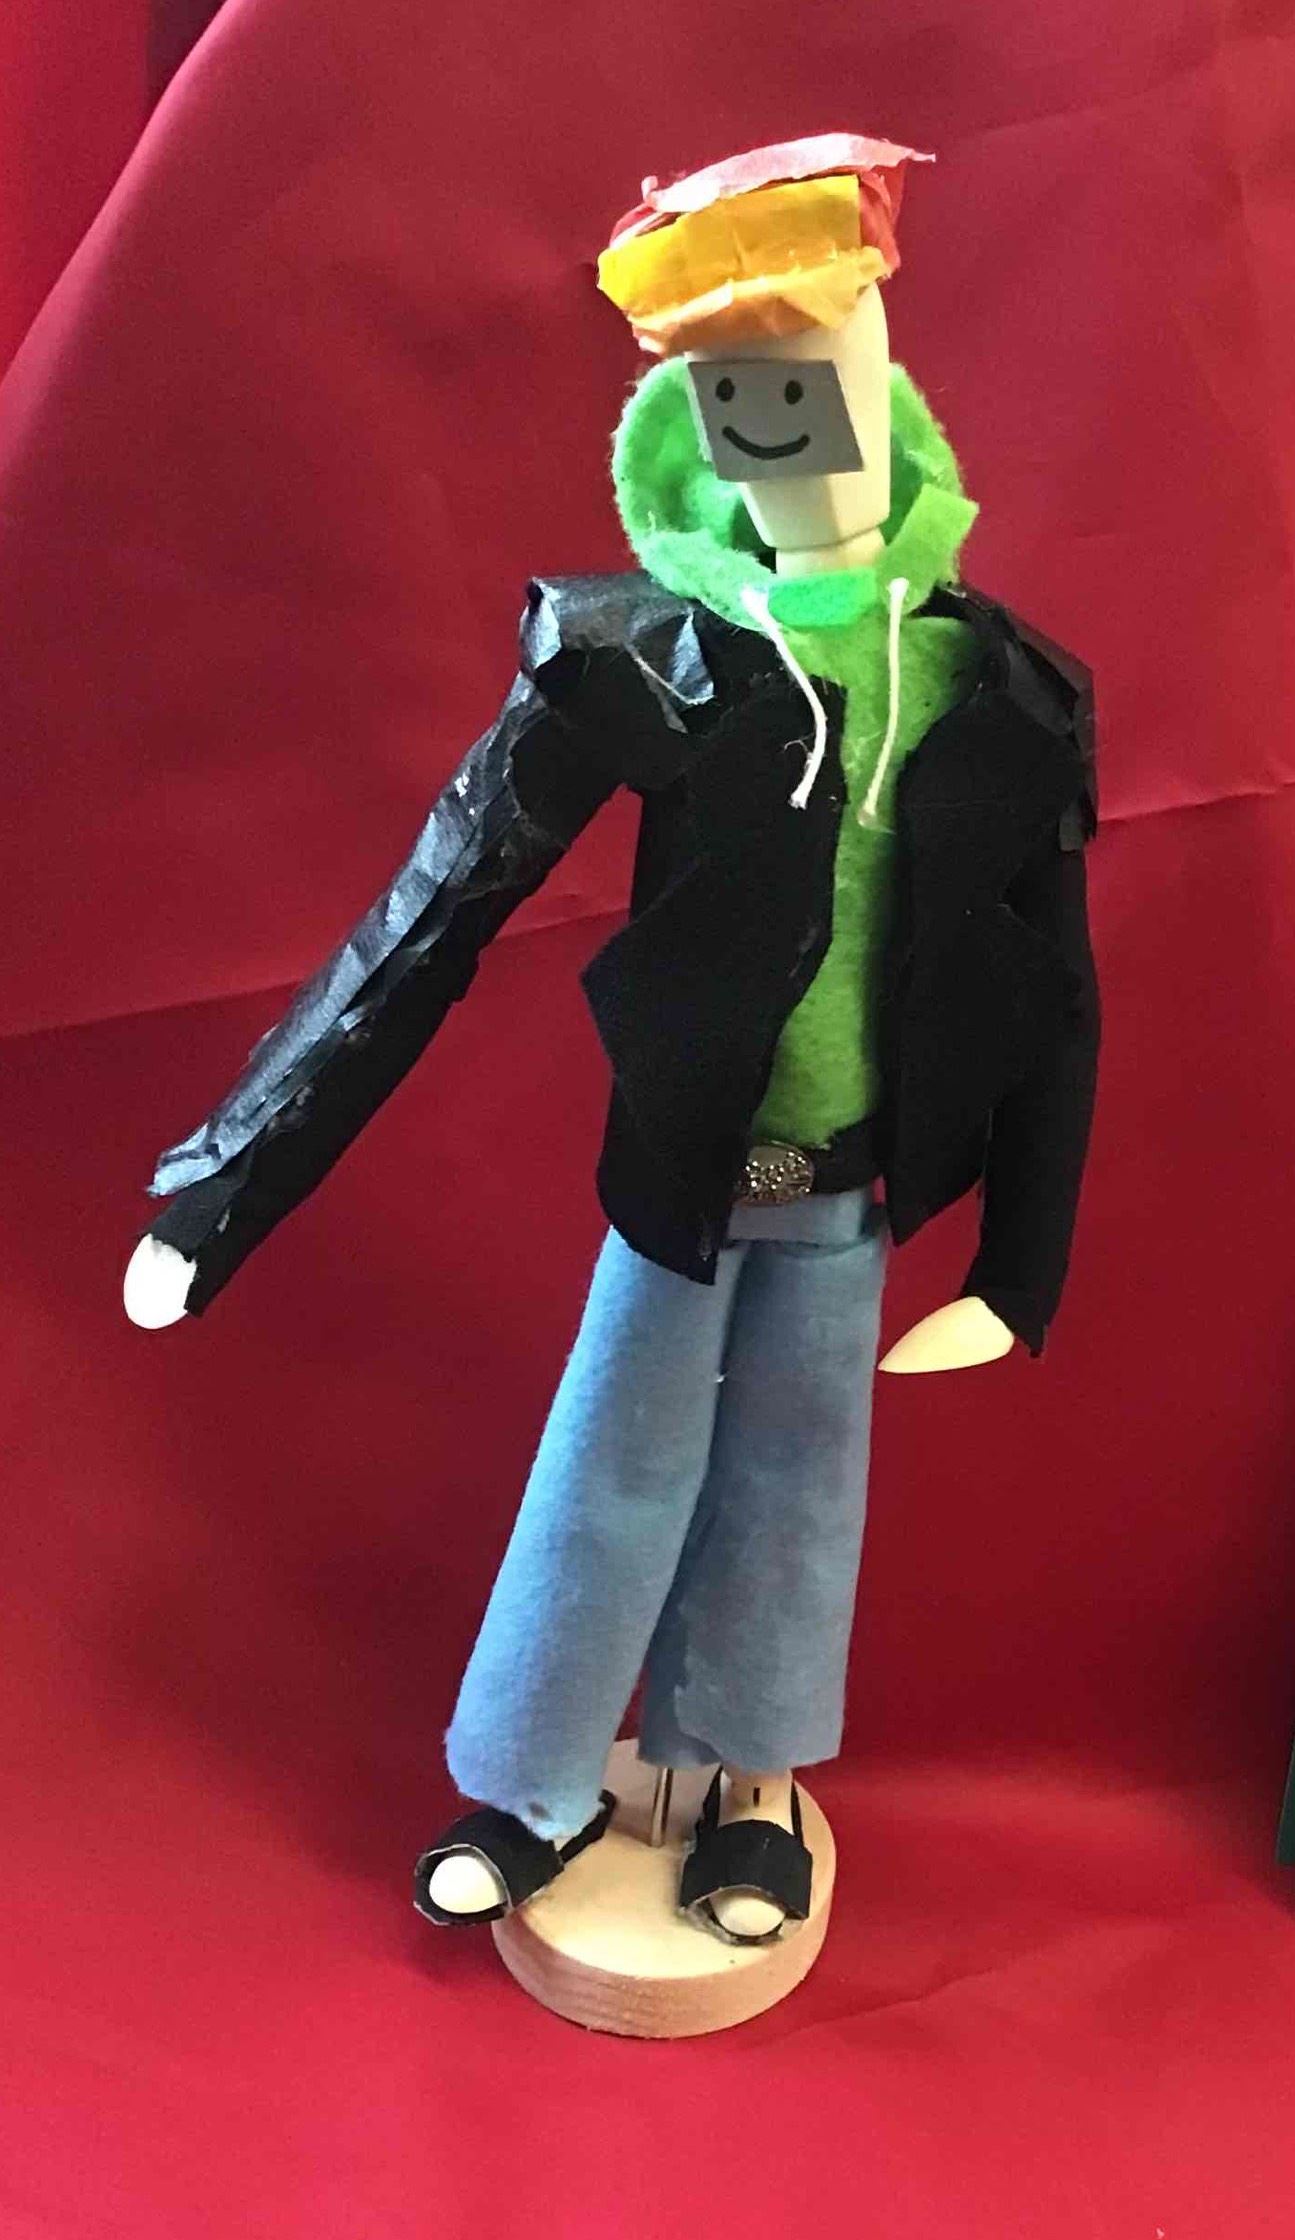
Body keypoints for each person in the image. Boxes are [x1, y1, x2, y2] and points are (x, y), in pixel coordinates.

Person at [125, 133, 1099, 1945]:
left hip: (852, 1184)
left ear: (881, 360)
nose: (778, 427)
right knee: (611, 1463)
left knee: (800, 1484)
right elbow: (437, 904)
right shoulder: (645, 655)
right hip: (679, 1175)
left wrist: (1018, 1270)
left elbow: (1059, 988)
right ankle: (532, 1780)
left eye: (805, 374)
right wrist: (221, 1188)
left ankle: (751, 1784)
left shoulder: (1000, 686)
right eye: (735, 393)